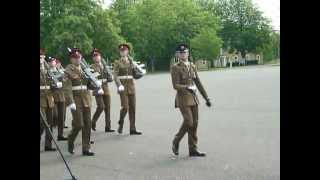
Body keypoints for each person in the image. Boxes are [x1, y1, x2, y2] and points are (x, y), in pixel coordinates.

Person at [170, 44, 212, 157]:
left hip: (193, 98)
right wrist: (187, 87)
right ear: (177, 54)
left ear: (188, 53)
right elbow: (175, 85)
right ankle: (176, 140)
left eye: (185, 52)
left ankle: (193, 149)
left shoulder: (192, 66)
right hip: (183, 98)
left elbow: (198, 82)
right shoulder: (176, 67)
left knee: (195, 124)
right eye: (181, 53)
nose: (184, 54)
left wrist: (206, 97)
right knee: (189, 122)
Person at [64, 48, 94, 156]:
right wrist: (70, 101)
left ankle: (86, 148)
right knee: (79, 124)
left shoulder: (85, 69)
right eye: (75, 58)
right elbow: (67, 88)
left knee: (88, 124)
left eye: (79, 57)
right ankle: (70, 139)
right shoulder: (68, 70)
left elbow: (89, 84)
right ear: (71, 59)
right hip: (76, 100)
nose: (77, 59)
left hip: (86, 98)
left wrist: (96, 85)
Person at [113, 43, 142, 135]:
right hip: (123, 88)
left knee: (132, 108)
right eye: (121, 51)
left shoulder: (131, 62)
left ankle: (132, 129)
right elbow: (115, 75)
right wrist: (119, 85)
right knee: (125, 107)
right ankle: (121, 121)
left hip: (131, 87)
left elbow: (135, 75)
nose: (123, 52)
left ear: (127, 51)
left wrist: (140, 73)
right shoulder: (117, 62)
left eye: (124, 50)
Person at [90, 48, 115, 133]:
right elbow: (91, 80)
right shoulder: (91, 67)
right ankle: (93, 121)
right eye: (94, 56)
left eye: (97, 55)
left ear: (100, 56)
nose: (96, 57)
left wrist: (111, 77)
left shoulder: (104, 65)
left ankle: (108, 127)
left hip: (105, 88)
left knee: (107, 108)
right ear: (92, 58)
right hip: (97, 89)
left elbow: (109, 79)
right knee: (101, 106)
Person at [40, 48, 56, 151]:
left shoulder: (48, 67)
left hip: (49, 97)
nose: (40, 59)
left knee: (50, 121)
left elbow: (52, 80)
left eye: (41, 57)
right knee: (42, 122)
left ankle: (48, 145)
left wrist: (55, 85)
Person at [48, 57, 68, 141]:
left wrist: (62, 81)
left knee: (61, 117)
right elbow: (47, 84)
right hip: (53, 96)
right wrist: (54, 85)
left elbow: (66, 81)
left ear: (55, 62)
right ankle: (49, 135)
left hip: (61, 96)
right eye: (50, 62)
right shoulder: (47, 72)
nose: (52, 63)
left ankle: (60, 135)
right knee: (54, 116)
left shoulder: (60, 71)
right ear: (48, 63)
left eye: (53, 61)